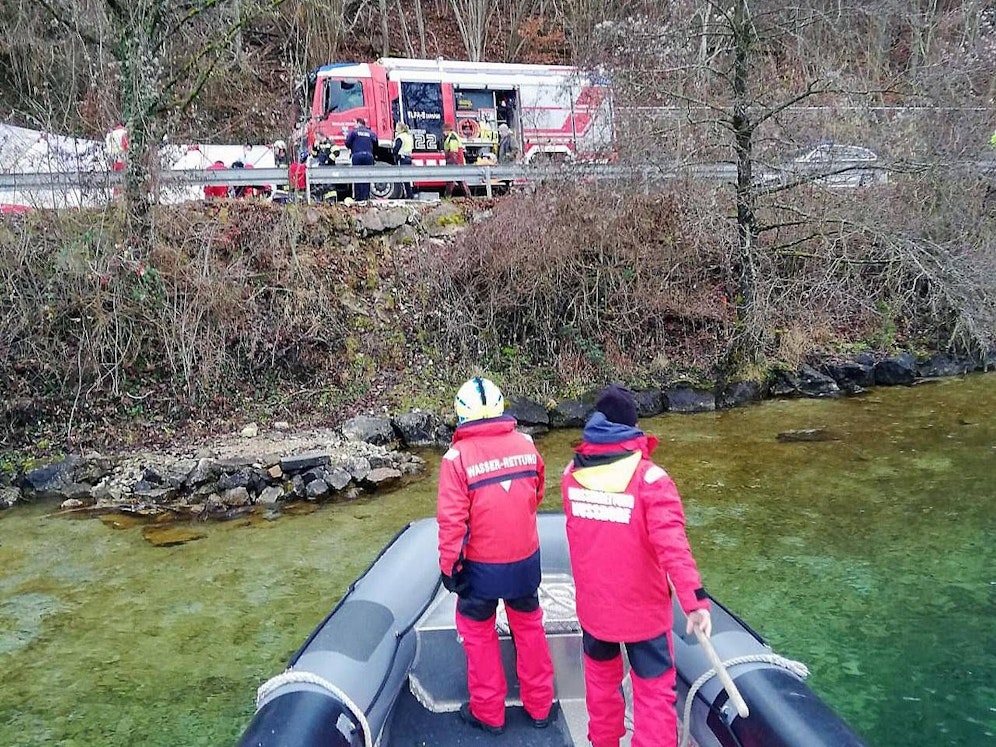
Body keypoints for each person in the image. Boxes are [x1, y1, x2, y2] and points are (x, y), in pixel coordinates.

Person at [561, 384, 712, 747]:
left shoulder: (571, 475)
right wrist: (695, 603)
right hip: (643, 613)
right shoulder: (650, 480)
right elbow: (673, 547)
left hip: (596, 610)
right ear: (631, 427)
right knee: (654, 695)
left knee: (600, 688)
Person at [437, 377, 556, 735]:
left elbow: (452, 521)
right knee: (530, 628)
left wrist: (450, 569)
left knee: (478, 635)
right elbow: (536, 493)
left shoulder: (456, 458)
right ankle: (540, 707)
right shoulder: (526, 444)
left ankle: (489, 713)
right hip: (524, 562)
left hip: (480, 568)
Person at [344, 117, 377, 201]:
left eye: (355, 123)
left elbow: (347, 143)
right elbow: (376, 142)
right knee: (367, 177)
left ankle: (359, 198)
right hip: (369, 156)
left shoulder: (354, 132)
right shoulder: (370, 132)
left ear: (359, 123)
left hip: (357, 155)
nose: (354, 125)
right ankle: (366, 197)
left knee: (357, 176)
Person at [442, 121, 472, 198]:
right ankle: (468, 196)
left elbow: (453, 151)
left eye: (444, 131)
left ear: (448, 130)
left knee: (452, 180)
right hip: (455, 162)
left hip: (454, 162)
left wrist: (452, 163)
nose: (443, 133)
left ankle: (448, 196)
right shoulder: (451, 136)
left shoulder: (452, 138)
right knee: (459, 179)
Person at [392, 121, 415, 199]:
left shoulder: (400, 137)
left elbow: (396, 149)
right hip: (409, 158)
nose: (396, 129)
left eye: (397, 127)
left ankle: (408, 195)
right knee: (408, 178)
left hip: (402, 158)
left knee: (403, 178)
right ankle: (410, 194)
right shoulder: (409, 136)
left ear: (400, 128)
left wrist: (394, 155)